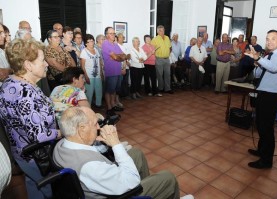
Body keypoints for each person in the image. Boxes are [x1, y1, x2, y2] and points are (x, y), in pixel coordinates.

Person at [53, 106, 194, 199]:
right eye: (95, 123)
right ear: (81, 128)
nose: (98, 127)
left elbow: (89, 152)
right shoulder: (90, 166)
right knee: (167, 178)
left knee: (136, 153)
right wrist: (115, 144)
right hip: (119, 193)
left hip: (96, 183)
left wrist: (103, 144)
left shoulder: (62, 144)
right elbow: (130, 181)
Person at [0, 39, 60, 198]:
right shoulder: (25, 93)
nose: (47, 64)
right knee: (45, 189)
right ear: (28, 65)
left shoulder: (9, 82)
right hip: (36, 156)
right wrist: (60, 133)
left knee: (34, 184)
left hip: (20, 152)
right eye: (42, 60)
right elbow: (39, 135)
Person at [245, 30, 277, 169]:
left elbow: (274, 68)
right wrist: (257, 64)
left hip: (272, 95)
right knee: (260, 124)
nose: (269, 41)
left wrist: (258, 59)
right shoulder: (268, 55)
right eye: (267, 39)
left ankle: (266, 161)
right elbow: (258, 73)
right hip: (264, 92)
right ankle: (261, 150)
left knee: (267, 128)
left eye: (273, 38)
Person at [102, 27, 128, 116]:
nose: (113, 35)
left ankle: (113, 105)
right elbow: (116, 57)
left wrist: (118, 56)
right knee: (109, 90)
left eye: (114, 33)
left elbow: (124, 56)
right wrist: (118, 56)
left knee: (114, 91)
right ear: (107, 35)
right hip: (111, 72)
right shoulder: (105, 44)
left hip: (118, 71)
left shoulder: (115, 45)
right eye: (111, 33)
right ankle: (109, 108)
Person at [80, 34, 103, 108]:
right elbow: (82, 66)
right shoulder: (84, 51)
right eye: (89, 41)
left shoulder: (96, 50)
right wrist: (86, 76)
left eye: (92, 41)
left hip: (98, 74)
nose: (91, 43)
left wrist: (101, 73)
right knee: (89, 93)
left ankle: (98, 105)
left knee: (99, 91)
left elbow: (99, 62)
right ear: (86, 43)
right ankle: (88, 107)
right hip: (89, 75)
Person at [151, 25, 173, 94]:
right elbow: (152, 50)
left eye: (163, 30)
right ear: (157, 31)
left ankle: (167, 88)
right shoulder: (154, 39)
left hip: (167, 59)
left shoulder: (167, 38)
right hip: (159, 59)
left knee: (167, 74)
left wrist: (168, 53)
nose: (162, 32)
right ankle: (160, 88)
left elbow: (170, 47)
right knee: (159, 75)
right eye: (160, 30)